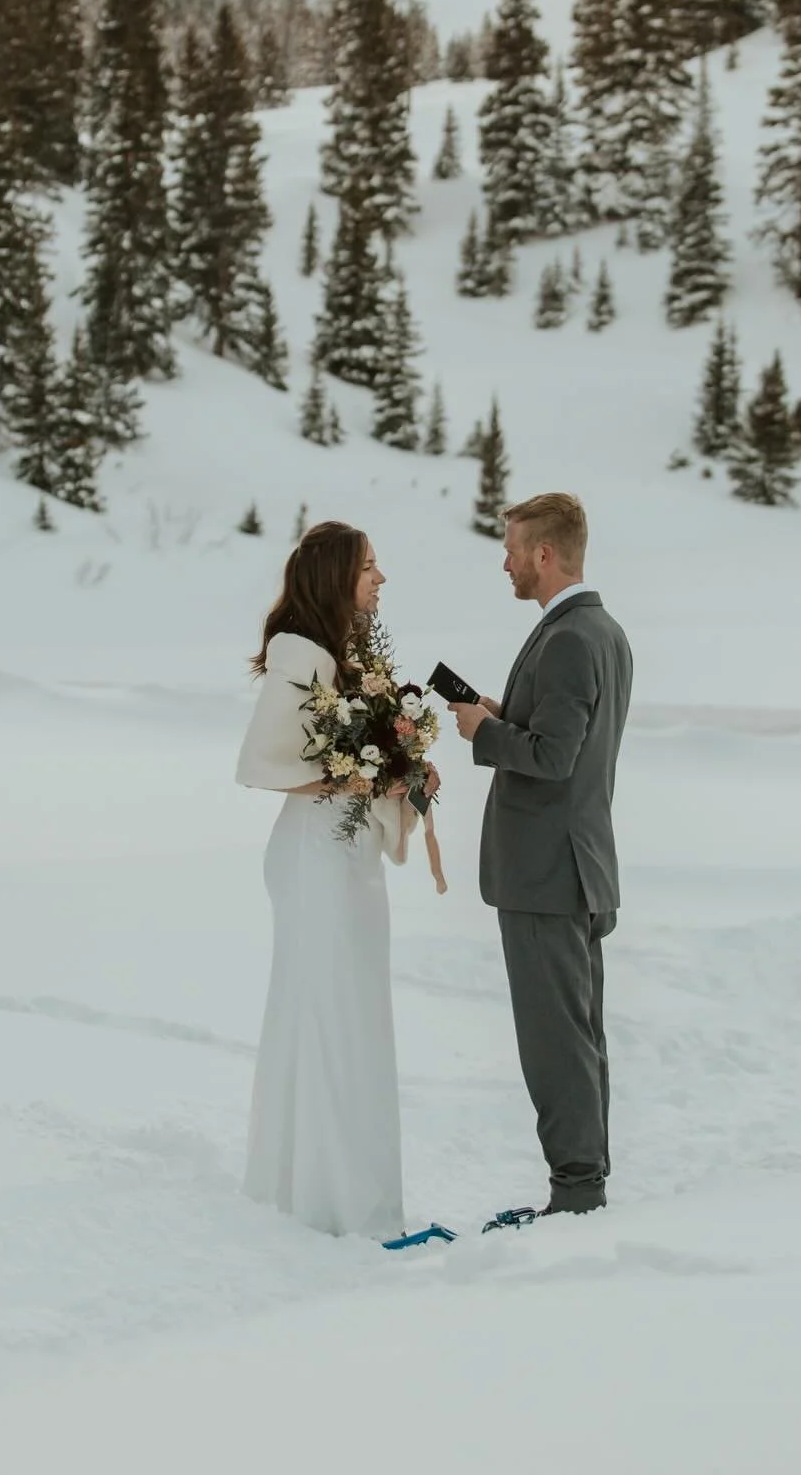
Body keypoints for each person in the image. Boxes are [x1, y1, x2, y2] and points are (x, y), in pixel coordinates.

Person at [236, 521, 437, 1240]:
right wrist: (363, 773)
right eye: (369, 568)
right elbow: (261, 760)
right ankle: (345, 1206)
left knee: (339, 1015)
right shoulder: (302, 653)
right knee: (334, 1018)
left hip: (339, 856)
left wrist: (396, 767)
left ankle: (310, 1191)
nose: (380, 579)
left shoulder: (339, 658)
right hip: (317, 858)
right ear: (334, 578)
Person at [448, 492, 632, 1218]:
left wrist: (480, 735)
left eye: (512, 549)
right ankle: (583, 1183)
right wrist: (503, 716)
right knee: (577, 1036)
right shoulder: (598, 630)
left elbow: (554, 759)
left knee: (556, 1043)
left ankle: (577, 1192)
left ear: (545, 555)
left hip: (548, 874)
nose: (506, 562)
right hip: (576, 867)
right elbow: (567, 741)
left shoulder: (568, 639)